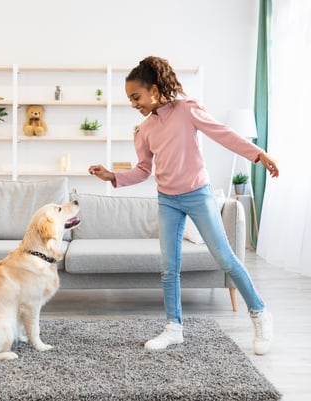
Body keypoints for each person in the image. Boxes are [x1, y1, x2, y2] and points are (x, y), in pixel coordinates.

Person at [88, 56, 279, 355]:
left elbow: (223, 133)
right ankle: (173, 327)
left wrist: (258, 154)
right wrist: (112, 175)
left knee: (226, 259)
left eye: (135, 97)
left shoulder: (187, 109)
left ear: (153, 89)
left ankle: (260, 313)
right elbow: (143, 170)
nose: (133, 104)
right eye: (129, 99)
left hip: (198, 194)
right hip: (167, 200)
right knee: (168, 267)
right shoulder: (144, 131)